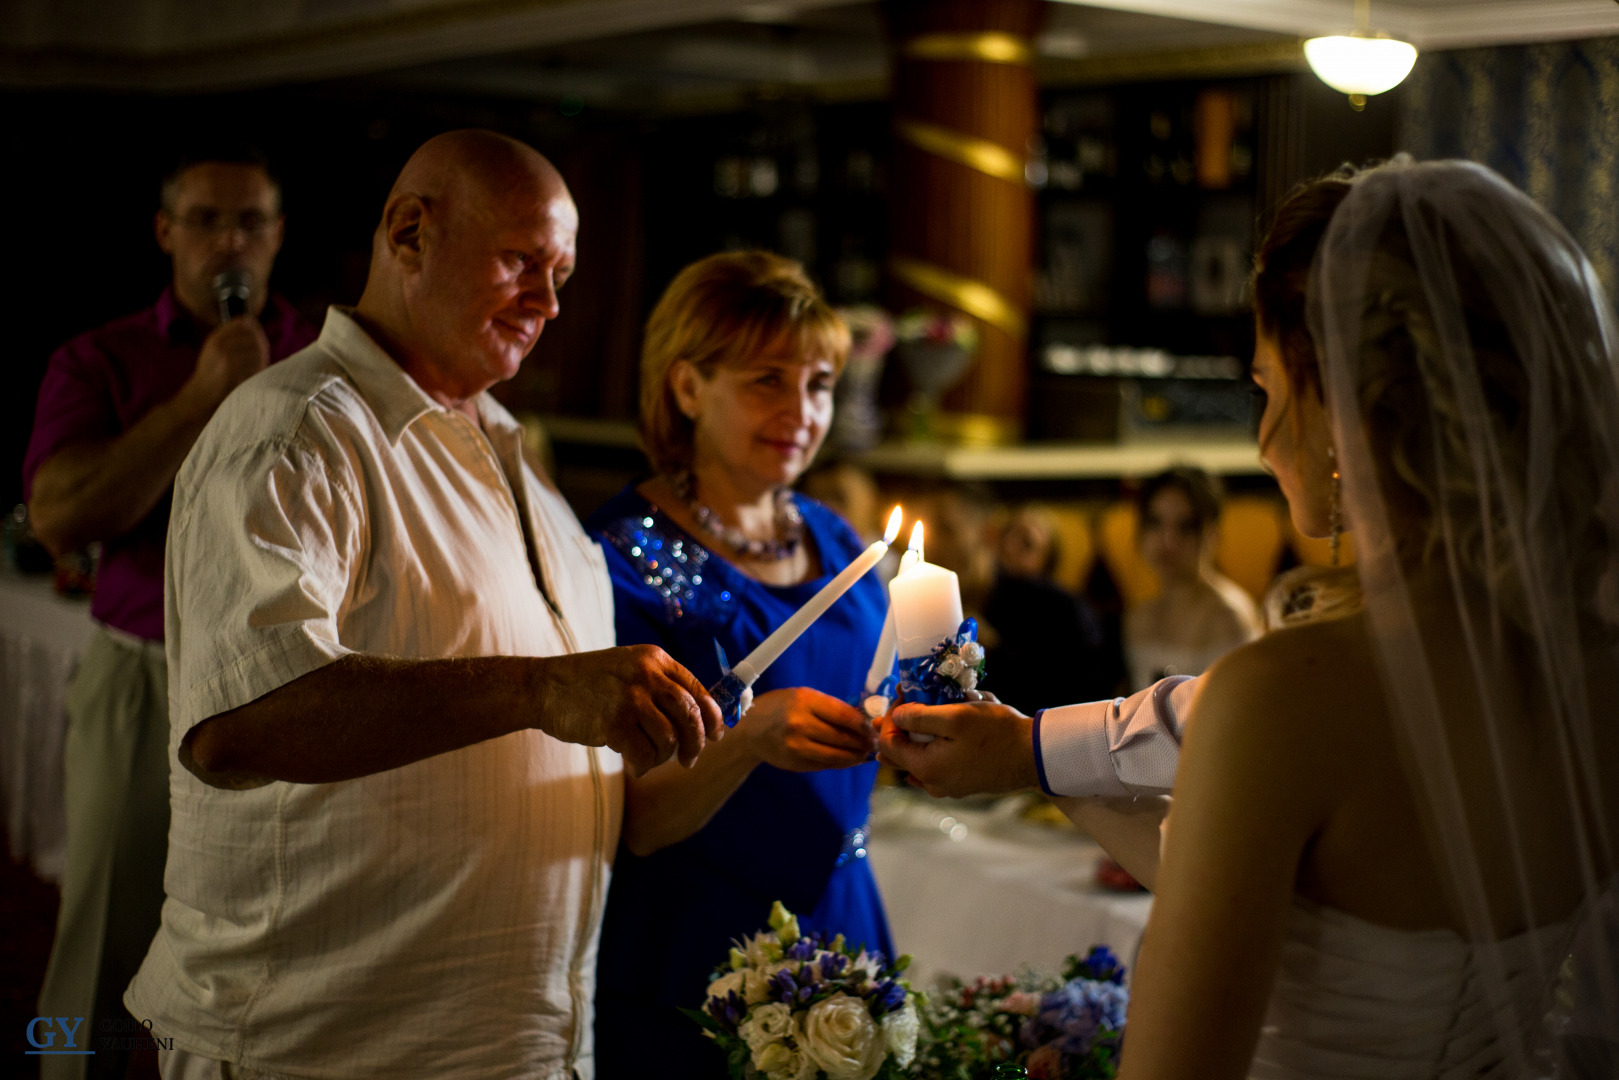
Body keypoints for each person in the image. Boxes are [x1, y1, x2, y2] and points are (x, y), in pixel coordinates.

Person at [886, 159, 1619, 1077]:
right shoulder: (1591, 668)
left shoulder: (1281, 697)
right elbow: (1291, 906)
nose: (1263, 436)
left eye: (1268, 389)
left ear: (1345, 414)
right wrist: (1032, 762)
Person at [124, 130, 722, 1080]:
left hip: (511, 1043)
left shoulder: (515, 461)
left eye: (561, 273)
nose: (550, 302)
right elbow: (236, 724)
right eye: (522, 261)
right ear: (408, 231)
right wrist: (535, 693)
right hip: (324, 1044)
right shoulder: (301, 425)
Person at [22, 144, 316, 1080]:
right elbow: (64, 518)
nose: (231, 241)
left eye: (252, 221)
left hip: (290, 686)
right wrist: (201, 395)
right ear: (165, 233)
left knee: (281, 936)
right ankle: (72, 1069)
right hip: (145, 675)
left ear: (279, 235)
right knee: (105, 925)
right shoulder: (100, 358)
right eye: (206, 220)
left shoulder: (324, 352)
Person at [587, 251, 888, 1080]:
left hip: (844, 918)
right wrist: (749, 734)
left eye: (820, 383)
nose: (801, 410)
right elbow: (630, 819)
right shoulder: (616, 562)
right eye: (767, 380)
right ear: (688, 387)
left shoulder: (837, 539)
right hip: (697, 944)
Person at [1124, 466, 1261, 690]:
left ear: (1212, 534)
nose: (1167, 541)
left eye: (1185, 527)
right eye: (1154, 522)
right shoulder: (1138, 619)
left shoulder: (1229, 617)